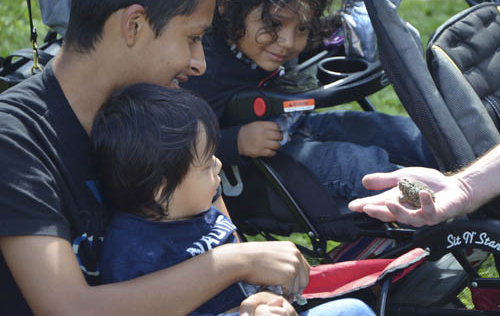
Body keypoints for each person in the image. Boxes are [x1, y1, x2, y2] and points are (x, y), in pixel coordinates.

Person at [0, 0, 315, 315]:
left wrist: (253, 301)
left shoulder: (171, 118)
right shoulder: (16, 138)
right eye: (193, 38)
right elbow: (69, 308)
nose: (200, 63)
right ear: (133, 25)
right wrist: (235, 264)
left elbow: (224, 238)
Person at [182, 0, 437, 202]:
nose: (289, 43)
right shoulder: (205, 67)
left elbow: (320, 39)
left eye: (302, 27)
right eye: (274, 24)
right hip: (261, 171)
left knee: (397, 133)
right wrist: (236, 141)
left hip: (297, 125)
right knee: (359, 166)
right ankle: (436, 203)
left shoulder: (265, 43)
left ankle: (463, 172)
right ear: (228, 6)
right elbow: (177, 146)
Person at [92, 83, 376, 316]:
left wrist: (268, 300)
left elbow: (246, 283)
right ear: (161, 189)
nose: (218, 165)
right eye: (206, 164)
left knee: (354, 310)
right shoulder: (132, 251)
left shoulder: (197, 208)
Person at [348, 143, 500, 227]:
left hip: (422, 197)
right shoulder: (408, 188)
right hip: (428, 195)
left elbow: (405, 198)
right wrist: (464, 186)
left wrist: (465, 187)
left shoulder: (406, 193)